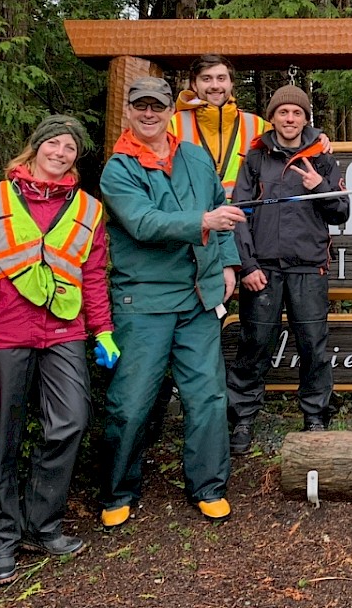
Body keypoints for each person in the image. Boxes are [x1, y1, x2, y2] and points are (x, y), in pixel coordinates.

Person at [97, 77, 246, 527]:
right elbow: (143, 222)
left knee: (207, 396)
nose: (149, 114)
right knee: (131, 402)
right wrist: (203, 220)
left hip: (199, 297)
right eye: (140, 106)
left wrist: (228, 263)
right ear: (129, 112)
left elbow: (222, 210)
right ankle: (118, 490)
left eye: (156, 107)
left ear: (169, 111)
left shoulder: (196, 157)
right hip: (142, 301)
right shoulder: (118, 168)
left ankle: (208, 486)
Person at [0, 115, 111, 586]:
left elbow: (92, 274)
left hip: (64, 330)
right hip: (4, 329)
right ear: (33, 149)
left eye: (69, 147)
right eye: (52, 143)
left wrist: (103, 331)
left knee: (71, 420)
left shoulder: (89, 208)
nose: (60, 152)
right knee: (2, 435)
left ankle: (41, 523)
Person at [227, 85, 350, 453]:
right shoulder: (255, 158)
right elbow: (239, 215)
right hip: (262, 270)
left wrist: (322, 186)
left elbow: (341, 212)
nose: (290, 119)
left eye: (297, 113)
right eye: (283, 113)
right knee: (254, 345)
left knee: (314, 346)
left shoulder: (322, 158)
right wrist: (247, 264)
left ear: (305, 118)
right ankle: (242, 420)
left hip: (309, 269)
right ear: (273, 117)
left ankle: (315, 416)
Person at [170, 54, 271, 197]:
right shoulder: (173, 124)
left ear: (231, 83)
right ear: (194, 84)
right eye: (206, 79)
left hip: (243, 213)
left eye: (221, 78)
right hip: (194, 214)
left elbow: (292, 140)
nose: (215, 86)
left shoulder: (257, 125)